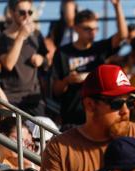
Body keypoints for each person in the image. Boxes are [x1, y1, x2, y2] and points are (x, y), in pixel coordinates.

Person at [51, 0, 128, 131]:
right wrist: (67, 80)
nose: (92, 33)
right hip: (72, 116)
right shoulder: (63, 52)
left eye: (95, 29)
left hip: (99, 114)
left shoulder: (99, 48)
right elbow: (55, 90)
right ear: (75, 28)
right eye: (87, 29)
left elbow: (122, 36)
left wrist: (117, 7)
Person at [0, 0, 48, 116]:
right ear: (11, 12)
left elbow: (47, 61)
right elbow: (8, 64)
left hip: (33, 98)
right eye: (22, 12)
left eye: (30, 12)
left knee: (43, 131)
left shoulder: (36, 35)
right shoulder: (2, 38)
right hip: (11, 99)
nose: (26, 16)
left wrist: (41, 59)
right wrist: (21, 36)